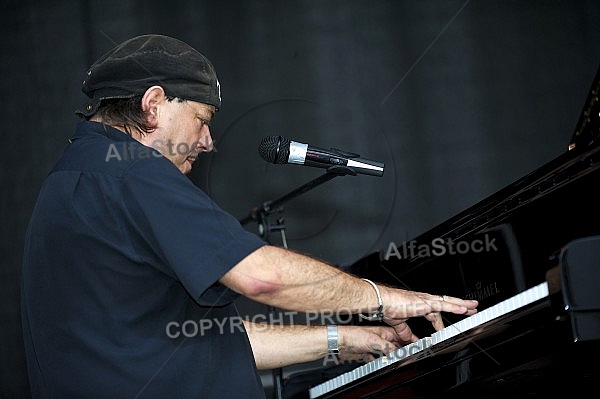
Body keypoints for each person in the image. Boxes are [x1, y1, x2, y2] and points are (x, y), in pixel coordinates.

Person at [20, 34, 478, 399]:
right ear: (154, 104)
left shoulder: (71, 180)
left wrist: (358, 340)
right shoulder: (132, 172)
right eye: (202, 117)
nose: (207, 141)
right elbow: (262, 279)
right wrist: (385, 298)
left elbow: (200, 341)